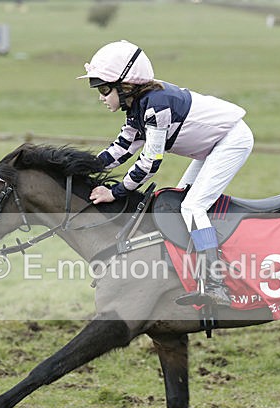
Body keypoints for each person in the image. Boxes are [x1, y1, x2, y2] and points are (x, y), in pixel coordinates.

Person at [80, 40, 254, 306]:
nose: (101, 97)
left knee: (192, 207)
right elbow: (122, 148)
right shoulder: (138, 107)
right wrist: (82, 170)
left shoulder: (155, 105)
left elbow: (150, 161)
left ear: (126, 86)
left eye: (104, 89)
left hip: (231, 140)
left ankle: (216, 284)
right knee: (179, 203)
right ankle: (191, 272)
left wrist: (115, 191)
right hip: (212, 146)